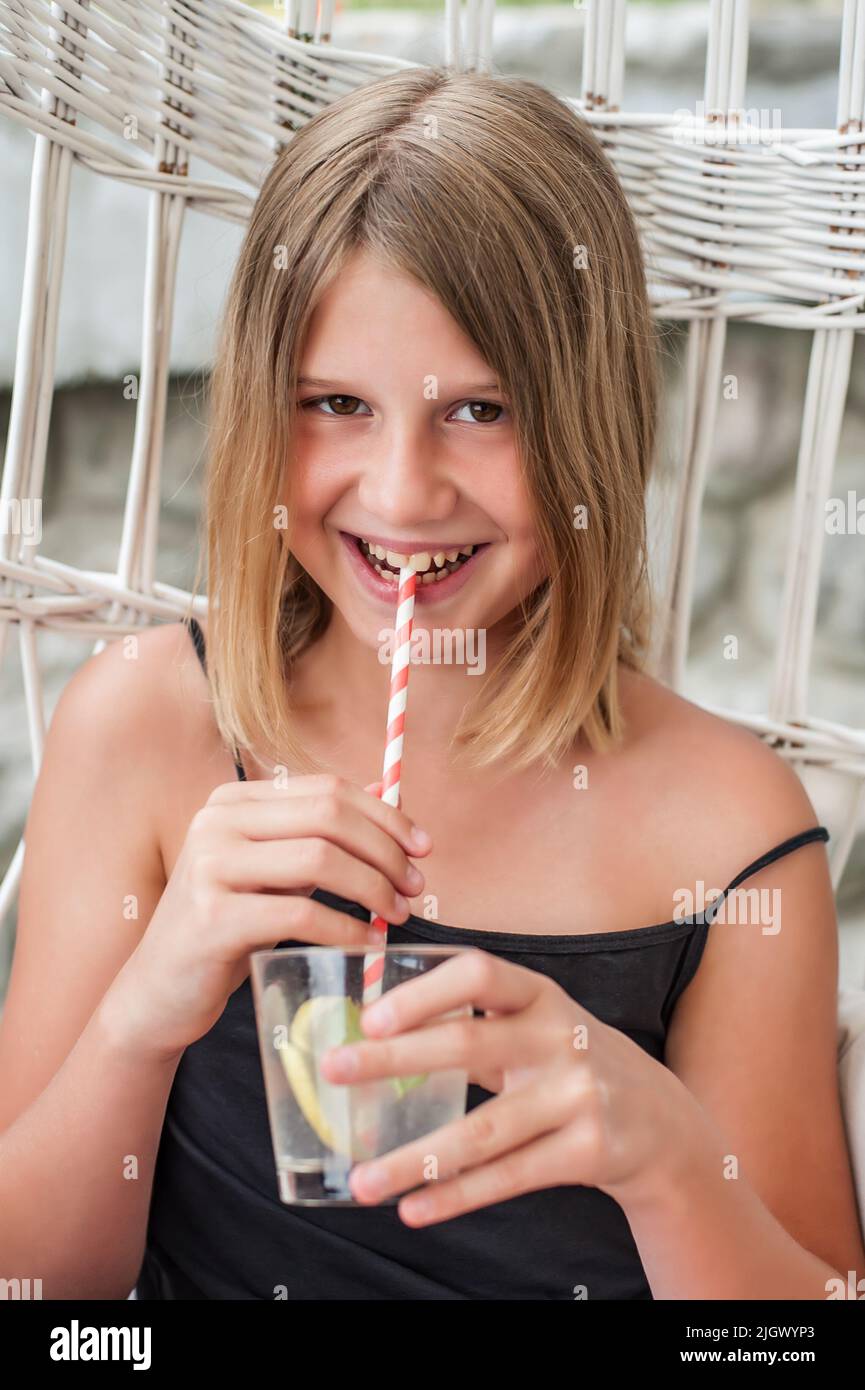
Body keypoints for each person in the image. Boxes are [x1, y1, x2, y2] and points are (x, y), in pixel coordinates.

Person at [1, 66, 862, 1301]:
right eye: (336, 403)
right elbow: (40, 1291)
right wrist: (143, 1013)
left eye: (479, 410)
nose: (402, 493)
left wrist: (671, 1163)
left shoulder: (729, 833)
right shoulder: (145, 729)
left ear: (587, 426)